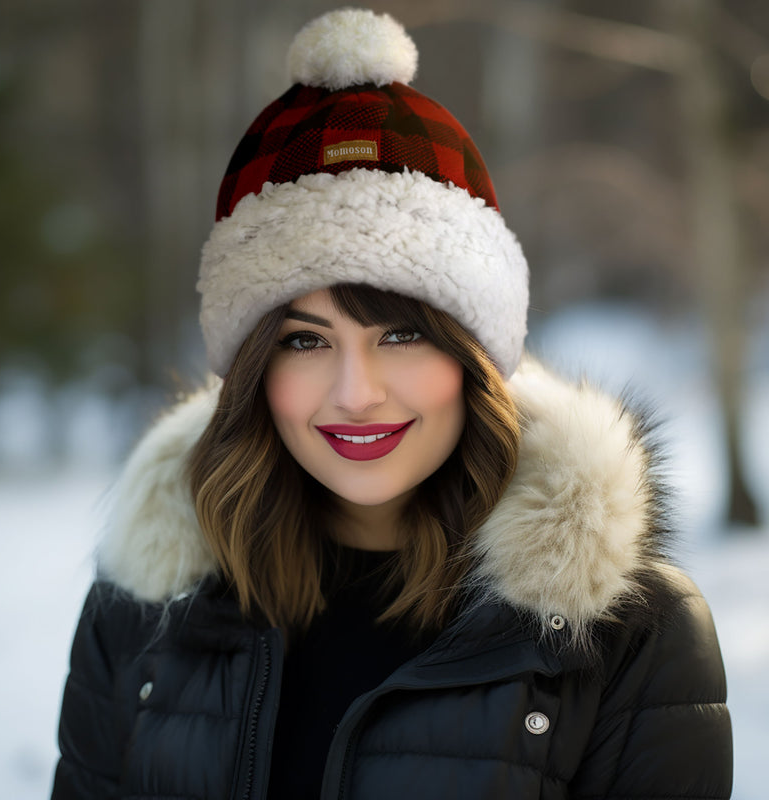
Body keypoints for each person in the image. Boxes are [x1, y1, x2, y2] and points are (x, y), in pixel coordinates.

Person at [51, 8, 732, 799]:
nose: (355, 395)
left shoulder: (625, 631)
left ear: (475, 359)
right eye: (303, 341)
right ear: (250, 373)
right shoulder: (142, 610)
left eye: (402, 335)